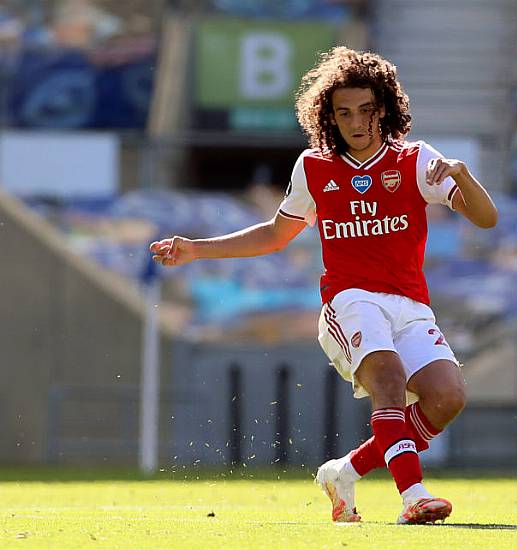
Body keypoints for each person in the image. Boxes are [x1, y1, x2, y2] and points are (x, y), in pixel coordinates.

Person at [149, 47, 498, 524]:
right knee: (390, 382)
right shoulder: (314, 167)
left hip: (410, 305)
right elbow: (276, 233)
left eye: (366, 111)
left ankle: (345, 472)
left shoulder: (417, 160)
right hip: (349, 300)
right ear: (329, 118)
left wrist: (462, 174)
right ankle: (413, 494)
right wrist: (196, 249)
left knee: (447, 397)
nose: (356, 122)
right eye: (343, 113)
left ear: (386, 109)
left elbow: (486, 218)